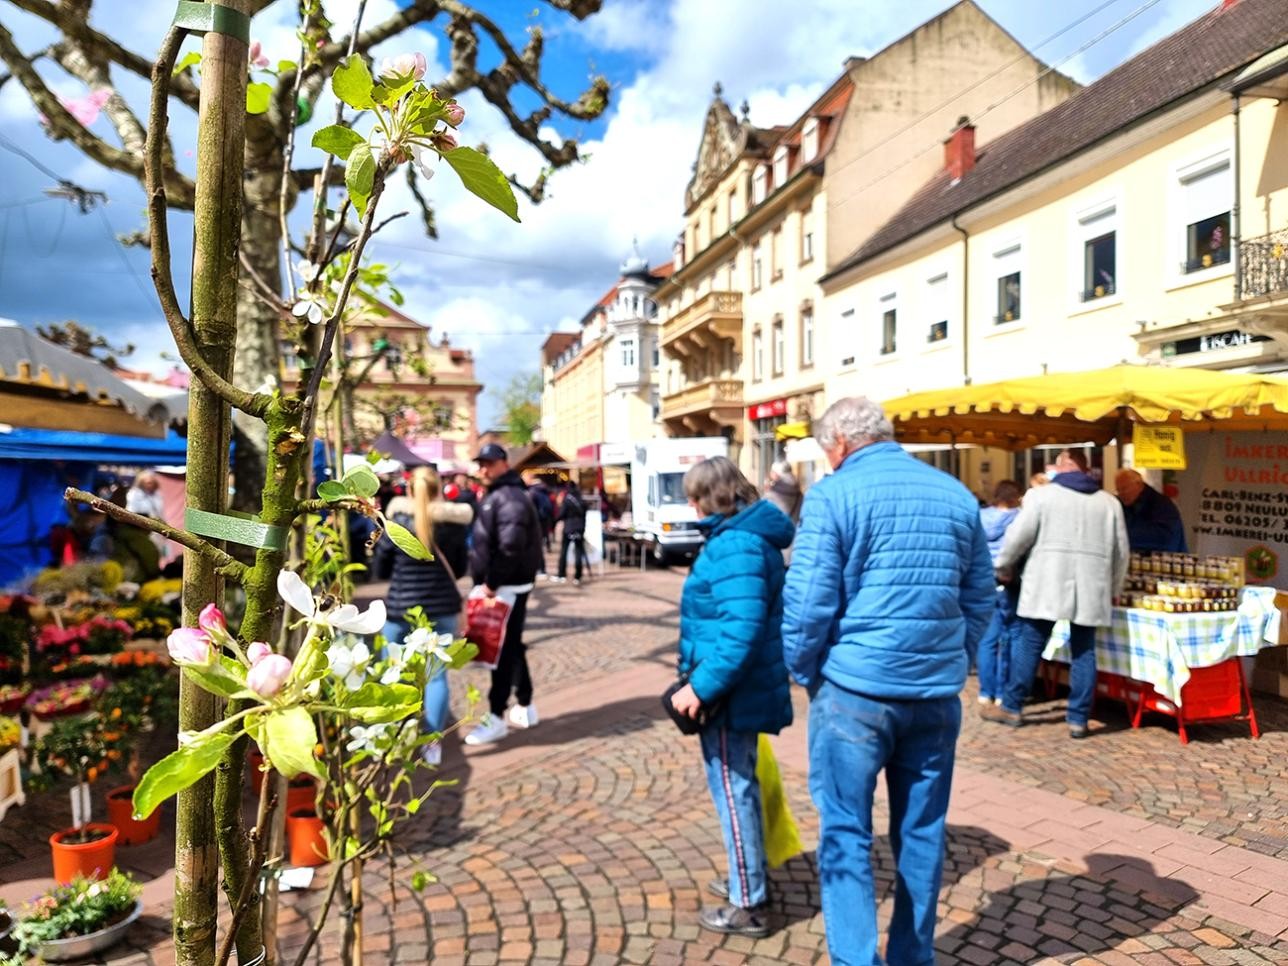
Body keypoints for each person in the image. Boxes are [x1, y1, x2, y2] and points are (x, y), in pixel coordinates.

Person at [781, 396, 995, 966]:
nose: (827, 462)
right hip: (933, 695)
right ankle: (910, 957)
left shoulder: (833, 494)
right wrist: (952, 656)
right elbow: (979, 595)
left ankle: (855, 959)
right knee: (922, 834)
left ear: (841, 444)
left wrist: (806, 672)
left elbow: (806, 606)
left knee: (846, 833)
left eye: (827, 452)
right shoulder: (954, 493)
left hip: (855, 691)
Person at [670, 456, 794, 939]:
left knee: (733, 789)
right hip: (734, 688)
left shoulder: (737, 543)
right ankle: (750, 879)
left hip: (728, 694)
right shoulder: (743, 536)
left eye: (692, 495)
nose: (689, 503)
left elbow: (739, 631)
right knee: (738, 785)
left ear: (708, 496)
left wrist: (700, 688)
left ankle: (750, 902)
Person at [988, 449, 1130, 739]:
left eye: (1057, 462)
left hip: (1047, 581)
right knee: (1084, 650)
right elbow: (1121, 552)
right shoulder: (1109, 503)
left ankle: (1013, 707)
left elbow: (1018, 536)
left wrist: (1003, 565)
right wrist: (1114, 588)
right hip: (1092, 585)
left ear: (1066, 465)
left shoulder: (1042, 496)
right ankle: (1078, 719)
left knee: (1030, 645)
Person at [373, 466, 472, 765]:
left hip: (401, 606)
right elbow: (461, 568)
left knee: (390, 670)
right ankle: (432, 743)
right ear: (439, 488)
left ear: (408, 489)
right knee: (437, 676)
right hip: (442, 605)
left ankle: (390, 734)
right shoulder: (454, 524)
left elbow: (381, 568)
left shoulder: (396, 523)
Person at [465, 443, 544, 745]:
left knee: (500, 651)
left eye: (489, 463)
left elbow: (510, 547)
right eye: (481, 463)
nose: (483, 468)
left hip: (506, 587)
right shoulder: (501, 493)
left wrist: (491, 583)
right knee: (510, 646)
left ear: (503, 463)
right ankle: (525, 703)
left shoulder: (509, 496)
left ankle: (496, 715)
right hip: (507, 585)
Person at [976, 480, 1022, 708]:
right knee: (1009, 637)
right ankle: (1004, 692)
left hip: (984, 580)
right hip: (1008, 579)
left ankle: (986, 690)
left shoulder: (980, 516)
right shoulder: (1018, 516)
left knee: (987, 639)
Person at [1115, 468, 1187, 553]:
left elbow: (1165, 539)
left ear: (1139, 485)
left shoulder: (1162, 505)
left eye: (1124, 489)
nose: (1121, 494)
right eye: (1118, 490)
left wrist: (1120, 536)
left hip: (1166, 562)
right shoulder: (1122, 504)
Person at [555, 483, 588, 584]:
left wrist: (555, 521)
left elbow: (561, 514)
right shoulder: (581, 500)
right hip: (580, 528)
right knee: (578, 551)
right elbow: (585, 513)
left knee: (564, 551)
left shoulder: (567, 500)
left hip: (569, 528)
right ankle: (578, 576)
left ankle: (561, 574)